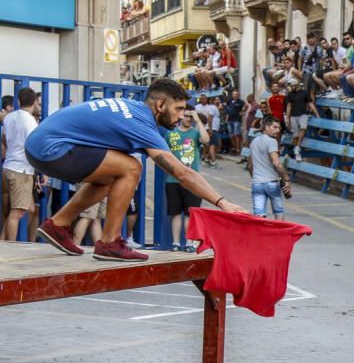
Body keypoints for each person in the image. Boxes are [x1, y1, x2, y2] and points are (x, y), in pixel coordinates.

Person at [24, 78, 244, 261]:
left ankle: (58, 224)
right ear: (160, 105)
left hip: (39, 146)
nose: (180, 116)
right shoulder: (141, 124)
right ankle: (110, 241)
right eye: (177, 109)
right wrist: (222, 202)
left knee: (108, 178)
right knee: (131, 167)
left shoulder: (132, 110)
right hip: (52, 148)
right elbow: (182, 172)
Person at [163, 109, 209, 251]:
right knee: (175, 213)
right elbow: (163, 153)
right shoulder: (171, 133)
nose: (189, 119)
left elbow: (206, 140)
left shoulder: (195, 132)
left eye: (191, 117)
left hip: (191, 180)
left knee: (190, 213)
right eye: (187, 116)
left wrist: (198, 120)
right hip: (173, 179)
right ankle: (176, 243)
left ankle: (189, 242)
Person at [1, 87, 40, 241]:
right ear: (34, 103)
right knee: (16, 213)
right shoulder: (30, 121)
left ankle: (2, 243)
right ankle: (11, 246)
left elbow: (4, 139)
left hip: (8, 166)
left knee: (29, 208)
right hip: (21, 170)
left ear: (18, 100)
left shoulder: (9, 118)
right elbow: (34, 145)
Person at [248, 115, 291, 220]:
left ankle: (260, 235)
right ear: (266, 127)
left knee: (259, 216)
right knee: (279, 212)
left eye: (279, 128)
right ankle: (278, 235)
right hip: (271, 182)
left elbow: (250, 165)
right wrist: (286, 179)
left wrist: (256, 177)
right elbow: (277, 163)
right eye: (275, 127)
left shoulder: (254, 142)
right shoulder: (272, 141)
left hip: (257, 183)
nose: (278, 130)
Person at [284, 80, 316, 161]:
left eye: (292, 86)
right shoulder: (290, 94)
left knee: (303, 128)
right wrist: (287, 118)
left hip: (303, 114)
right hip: (293, 115)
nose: (291, 88)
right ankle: (295, 151)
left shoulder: (304, 92)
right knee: (295, 135)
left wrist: (317, 113)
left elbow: (310, 103)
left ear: (296, 84)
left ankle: (297, 148)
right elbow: (289, 106)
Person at [224, 91, 245, 158]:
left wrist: (242, 111)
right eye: (234, 94)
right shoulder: (230, 101)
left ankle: (238, 149)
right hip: (230, 120)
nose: (235, 95)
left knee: (237, 135)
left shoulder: (240, 102)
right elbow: (226, 107)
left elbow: (246, 105)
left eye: (236, 94)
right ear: (232, 95)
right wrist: (226, 117)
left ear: (238, 95)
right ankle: (235, 148)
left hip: (237, 120)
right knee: (231, 135)